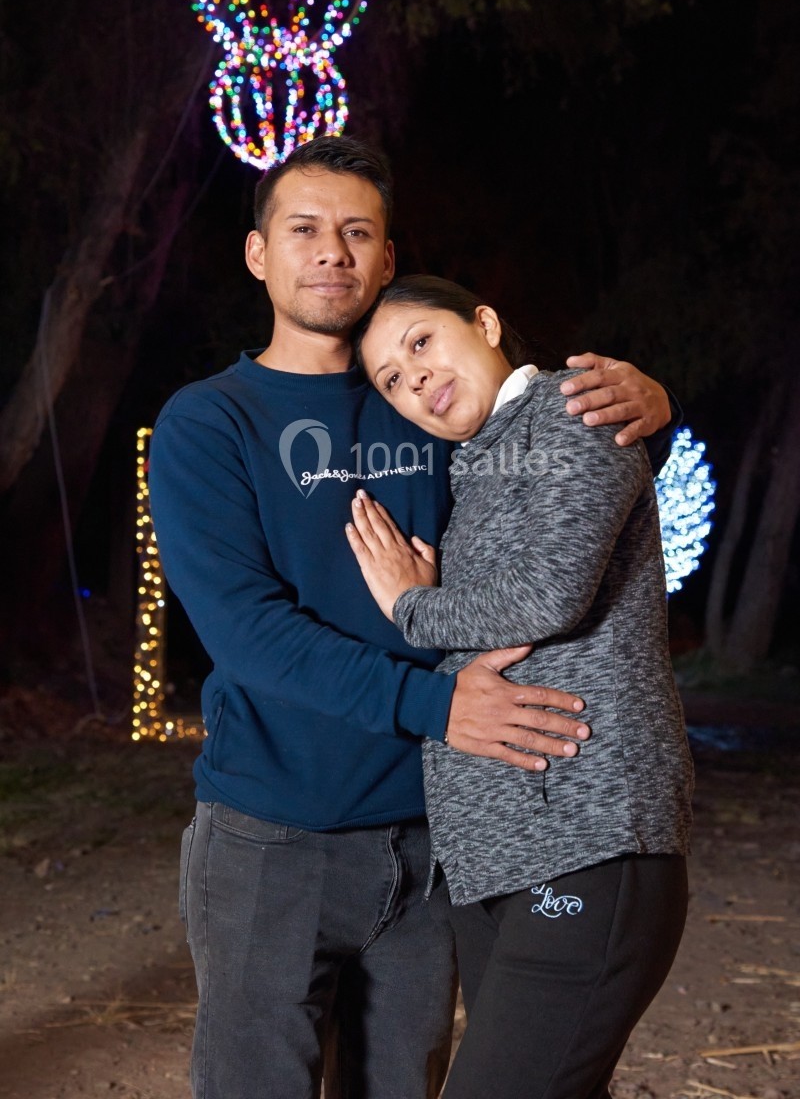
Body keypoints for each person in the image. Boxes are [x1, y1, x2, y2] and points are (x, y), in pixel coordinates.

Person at [148, 136, 680, 1099]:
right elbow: (246, 631)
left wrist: (648, 410)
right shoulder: (208, 422)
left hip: (435, 843)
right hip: (275, 831)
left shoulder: (424, 400)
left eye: (358, 232)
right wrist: (436, 706)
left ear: (388, 257)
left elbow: (549, 470)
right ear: (259, 253)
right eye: (304, 229)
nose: (332, 251)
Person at [346, 274, 694, 1099]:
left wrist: (411, 606)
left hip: (587, 842)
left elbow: (547, 593)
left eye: (421, 342)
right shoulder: (476, 464)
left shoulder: (576, 410)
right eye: (391, 379)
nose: (414, 377)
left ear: (487, 323)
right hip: (497, 860)